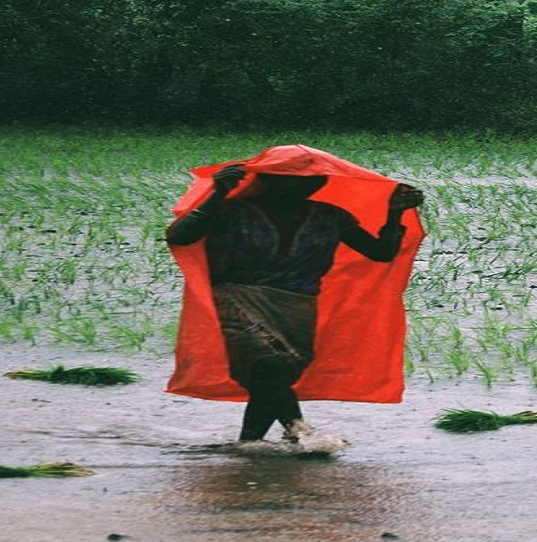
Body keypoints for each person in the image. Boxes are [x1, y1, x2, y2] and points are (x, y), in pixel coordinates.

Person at [166, 161, 424, 452]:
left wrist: (394, 213)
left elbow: (381, 252)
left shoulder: (330, 216)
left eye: (312, 180)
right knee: (270, 363)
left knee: (275, 374)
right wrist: (217, 194)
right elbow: (179, 236)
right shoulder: (231, 210)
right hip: (237, 298)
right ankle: (298, 427)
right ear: (267, 180)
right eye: (292, 179)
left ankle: (249, 445)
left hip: (298, 305)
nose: (303, 185)